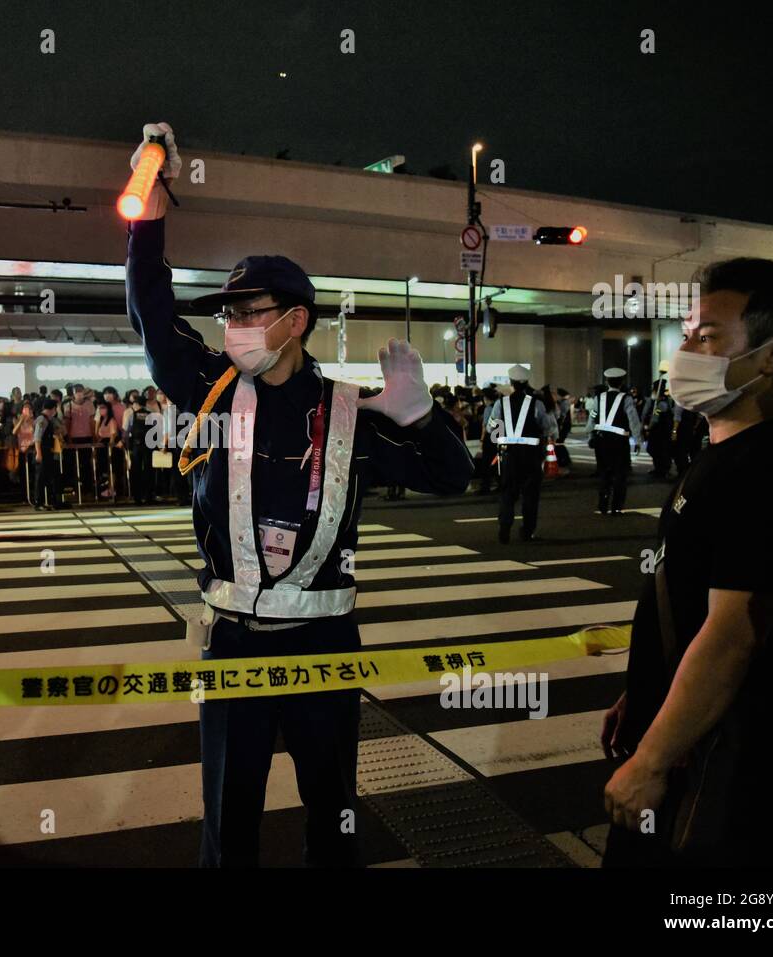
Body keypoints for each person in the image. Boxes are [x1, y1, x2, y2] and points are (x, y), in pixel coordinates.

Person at [124, 122, 474, 867]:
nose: (235, 326)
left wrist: (424, 417)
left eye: (251, 312)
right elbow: (153, 316)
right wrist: (150, 210)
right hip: (233, 645)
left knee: (333, 814)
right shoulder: (211, 389)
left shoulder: (351, 413)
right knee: (229, 820)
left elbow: (452, 477)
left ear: (296, 320)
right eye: (229, 314)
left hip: (325, 647)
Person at [602, 258, 773, 867]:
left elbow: (733, 634)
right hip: (693, 738)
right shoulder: (725, 456)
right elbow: (689, 596)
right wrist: (645, 691)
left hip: (726, 767)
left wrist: (651, 759)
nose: (685, 351)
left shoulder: (772, 470)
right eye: (686, 336)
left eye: (707, 337)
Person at [486, 364, 556, 544]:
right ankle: (527, 531)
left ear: (511, 382)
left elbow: (491, 428)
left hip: (509, 454)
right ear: (526, 383)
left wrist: (501, 440)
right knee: (531, 494)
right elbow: (548, 427)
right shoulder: (537, 404)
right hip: (532, 455)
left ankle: (504, 527)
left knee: (508, 491)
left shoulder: (501, 403)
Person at [588, 367, 641, 515]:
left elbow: (592, 417)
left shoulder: (599, 398)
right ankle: (616, 506)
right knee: (620, 473)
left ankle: (603, 501)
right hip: (619, 441)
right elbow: (633, 421)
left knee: (604, 472)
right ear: (622, 382)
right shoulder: (627, 398)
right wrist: (637, 440)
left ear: (607, 382)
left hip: (601, 439)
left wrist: (590, 436)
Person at [32, 398, 66, 510]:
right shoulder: (42, 419)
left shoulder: (48, 419)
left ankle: (55, 501)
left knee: (52, 476)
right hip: (43, 451)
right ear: (52, 409)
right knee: (41, 478)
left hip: (48, 452)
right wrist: (39, 453)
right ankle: (39, 502)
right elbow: (37, 438)